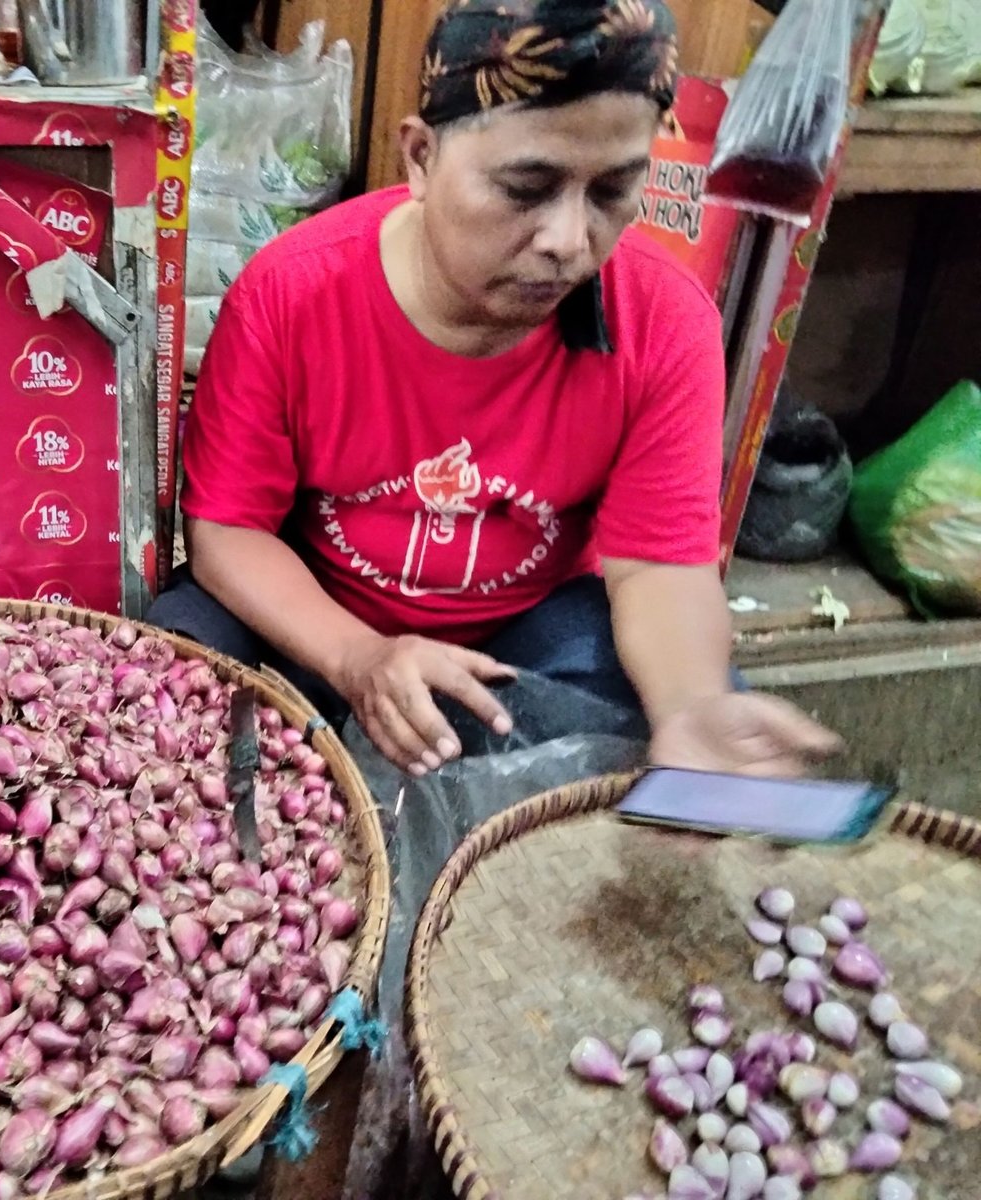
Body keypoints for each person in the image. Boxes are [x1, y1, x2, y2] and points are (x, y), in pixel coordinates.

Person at [152, 0, 840, 779]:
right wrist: (359, 657)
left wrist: (688, 706)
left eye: (612, 192)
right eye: (525, 187)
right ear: (419, 157)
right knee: (179, 657)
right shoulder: (291, 294)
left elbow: (658, 566)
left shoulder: (666, 324)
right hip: (320, 627)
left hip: (523, 647)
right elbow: (227, 534)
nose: (568, 241)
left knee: (682, 716)